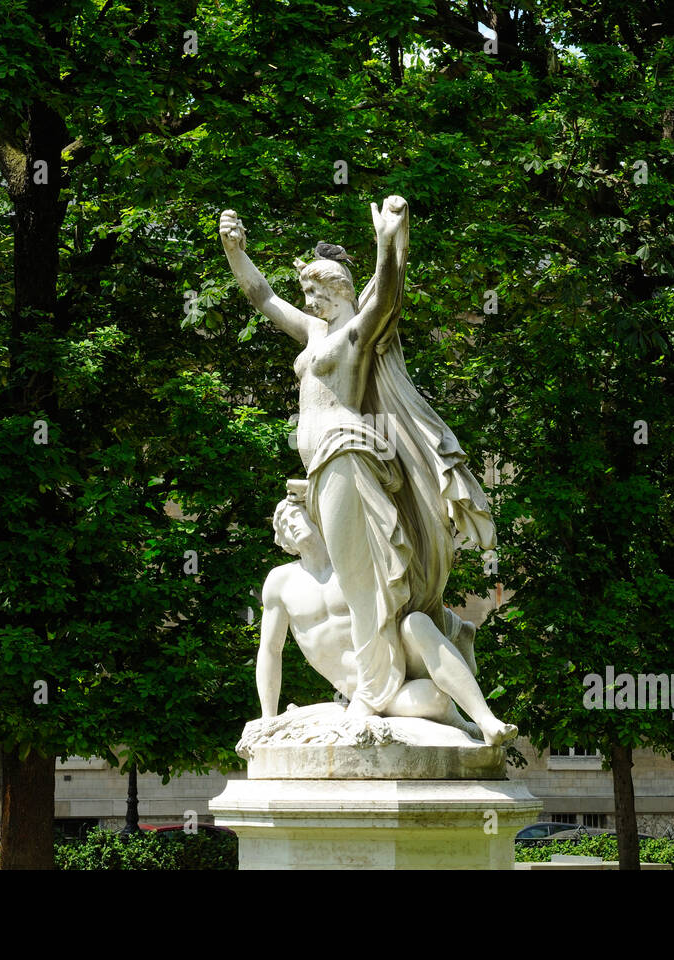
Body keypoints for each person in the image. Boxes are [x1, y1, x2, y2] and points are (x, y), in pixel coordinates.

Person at [220, 197, 501, 736]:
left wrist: (387, 243)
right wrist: (235, 251)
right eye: (307, 295)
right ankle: (384, 682)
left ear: (342, 291)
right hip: (322, 467)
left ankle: (371, 691)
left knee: (356, 578)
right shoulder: (315, 332)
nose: (309, 302)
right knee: (354, 574)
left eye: (317, 294)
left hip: (344, 452)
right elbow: (263, 297)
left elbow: (387, 297)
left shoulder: (354, 334)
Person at [258, 487, 516, 743]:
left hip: (396, 658)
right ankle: (461, 721)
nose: (290, 525)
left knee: (416, 622)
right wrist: (268, 718)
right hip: (367, 692)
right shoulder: (281, 581)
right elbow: (270, 649)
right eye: (283, 524)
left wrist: (320, 488)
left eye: (295, 515)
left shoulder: (356, 563)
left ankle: (486, 721)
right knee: (435, 699)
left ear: (317, 513)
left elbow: (384, 519)